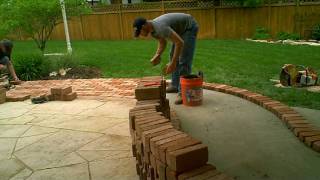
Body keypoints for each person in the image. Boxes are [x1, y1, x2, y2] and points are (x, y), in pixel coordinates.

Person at [133, 13, 199, 104]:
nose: (140, 35)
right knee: (172, 55)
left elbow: (180, 43)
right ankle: (175, 85)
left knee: (183, 60)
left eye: (140, 32)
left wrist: (173, 63)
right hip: (180, 29)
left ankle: (183, 93)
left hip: (189, 27)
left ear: (144, 26)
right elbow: (162, 42)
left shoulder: (160, 27)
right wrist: (157, 55)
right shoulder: (153, 31)